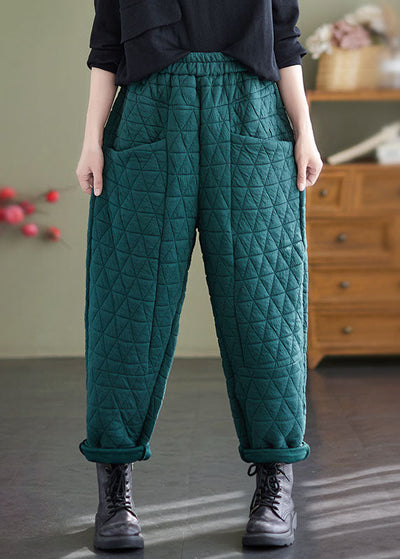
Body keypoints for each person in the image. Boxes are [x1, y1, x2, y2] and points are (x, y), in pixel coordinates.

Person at [75, 0, 323, 551]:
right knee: (126, 312)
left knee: (266, 313)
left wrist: (305, 132)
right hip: (147, 116)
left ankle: (276, 484)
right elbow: (107, 48)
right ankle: (113, 490)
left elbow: (284, 40)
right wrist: (91, 139)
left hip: (252, 114)